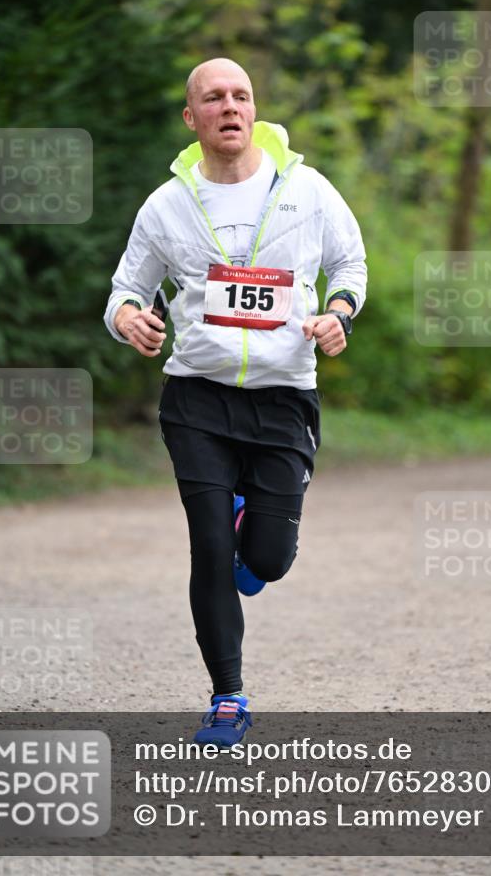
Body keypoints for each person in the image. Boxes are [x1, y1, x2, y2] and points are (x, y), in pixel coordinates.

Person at [104, 58, 367, 746]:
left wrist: (337, 312)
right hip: (196, 396)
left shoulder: (305, 191)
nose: (229, 106)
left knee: (269, 560)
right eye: (213, 98)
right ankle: (227, 697)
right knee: (209, 547)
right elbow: (125, 288)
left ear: (254, 110)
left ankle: (257, 531)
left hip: (283, 397)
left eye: (240, 96)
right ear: (191, 119)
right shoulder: (167, 205)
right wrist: (128, 316)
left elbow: (349, 265)